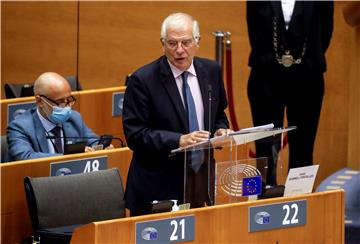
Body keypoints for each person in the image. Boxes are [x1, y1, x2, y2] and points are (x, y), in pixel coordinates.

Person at [122, 12, 231, 216]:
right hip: (159, 186)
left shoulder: (212, 71)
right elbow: (135, 135)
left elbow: (218, 115)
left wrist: (220, 131)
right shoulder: (143, 80)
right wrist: (178, 140)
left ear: (197, 42)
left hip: (200, 181)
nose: (179, 50)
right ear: (162, 44)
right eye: (172, 43)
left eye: (186, 42)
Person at [246, 1, 334, 186]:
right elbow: (254, 30)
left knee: (304, 147)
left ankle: (299, 198)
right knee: (264, 147)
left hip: (308, 77)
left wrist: (302, 60)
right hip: (265, 76)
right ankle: (262, 201)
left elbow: (325, 33)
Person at [6, 72, 108, 161]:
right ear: (40, 101)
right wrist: (67, 158)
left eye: (69, 100)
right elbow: (25, 158)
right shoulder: (19, 127)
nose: (66, 107)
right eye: (60, 102)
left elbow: (94, 141)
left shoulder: (74, 118)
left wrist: (103, 148)